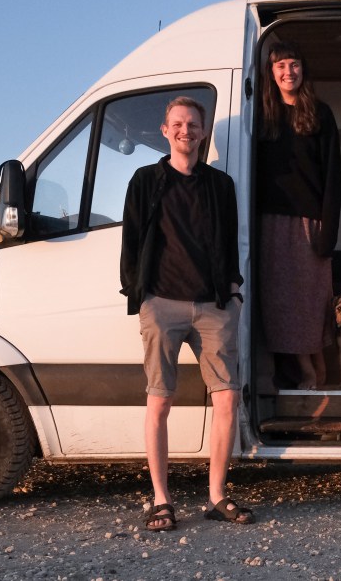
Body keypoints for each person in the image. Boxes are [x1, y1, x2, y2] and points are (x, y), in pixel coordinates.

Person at [120, 96, 254, 532]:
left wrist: (233, 290)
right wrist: (139, 294)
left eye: (193, 124)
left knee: (227, 399)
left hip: (214, 304)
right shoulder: (145, 180)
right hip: (161, 303)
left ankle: (216, 496)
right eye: (177, 124)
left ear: (203, 132)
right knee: (160, 400)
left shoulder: (220, 184)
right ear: (165, 131)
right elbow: (131, 239)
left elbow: (230, 240)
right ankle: (161, 500)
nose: (185, 131)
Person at [257, 41, 341, 390]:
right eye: (280, 66)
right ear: (271, 72)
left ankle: (318, 372)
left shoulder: (321, 114)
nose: (288, 72)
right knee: (280, 304)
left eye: (293, 64)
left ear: (303, 69)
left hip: (312, 223)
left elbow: (333, 178)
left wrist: (329, 233)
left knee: (310, 304)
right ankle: (307, 373)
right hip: (271, 223)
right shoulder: (262, 115)